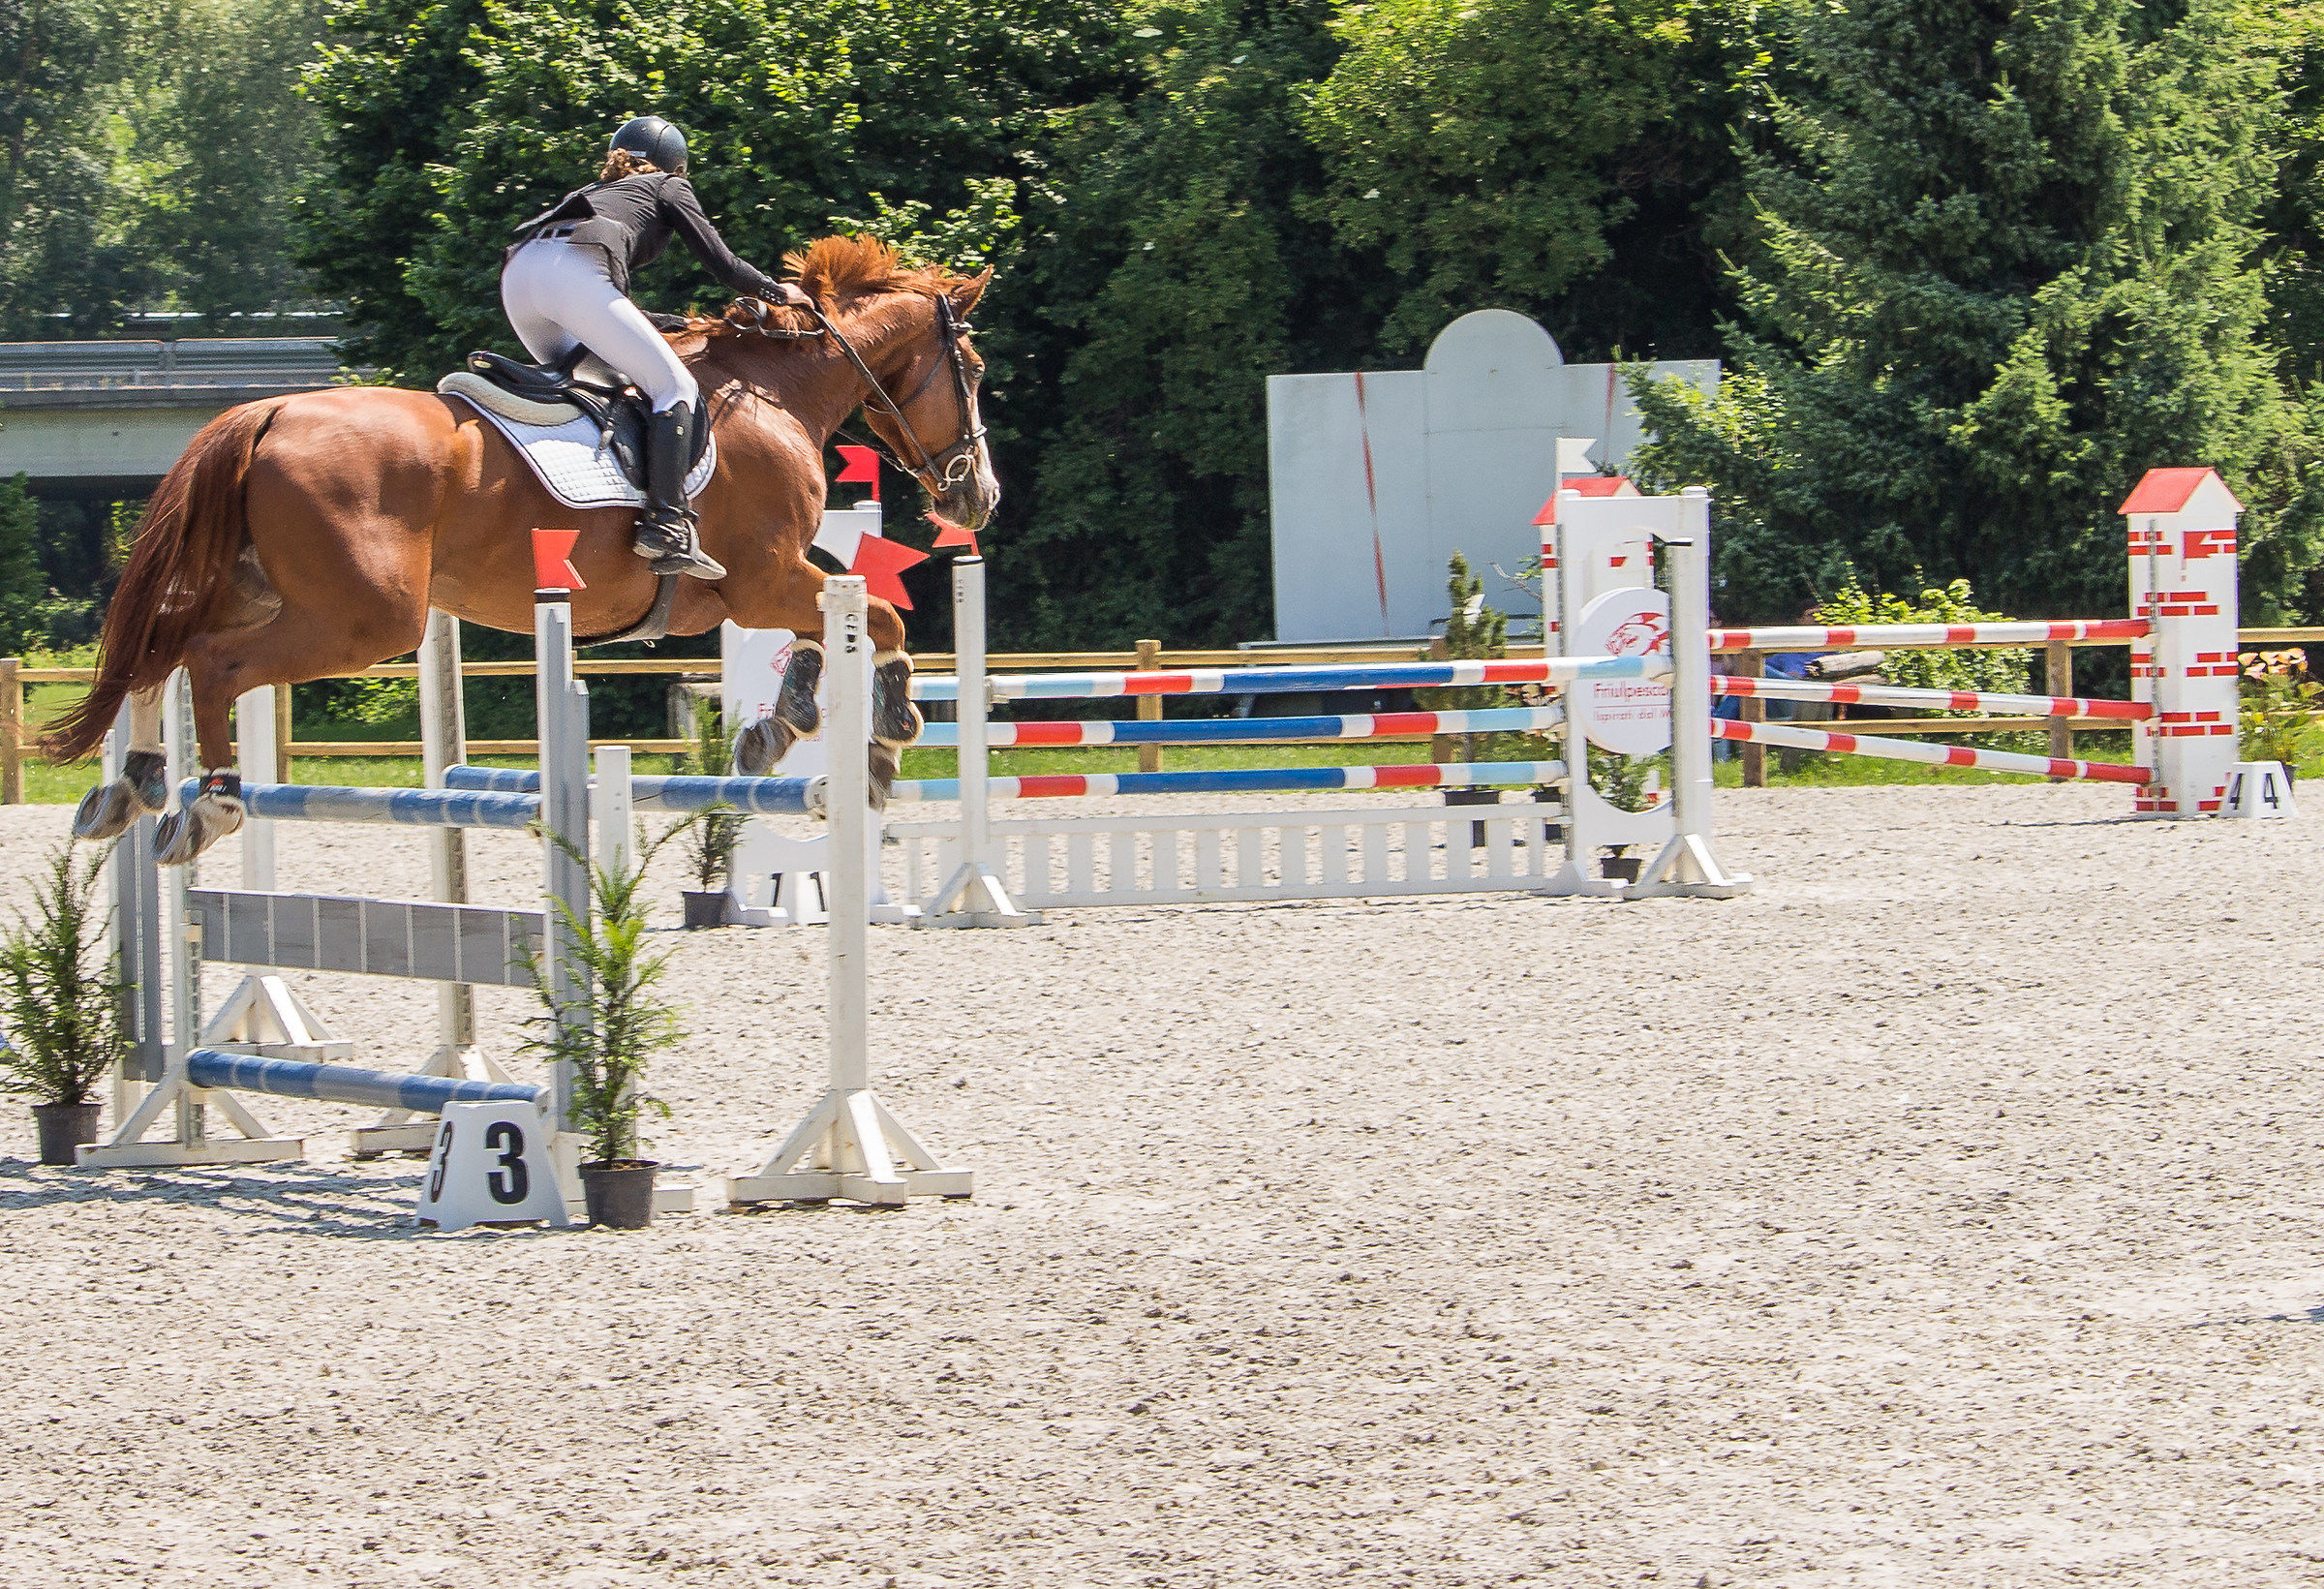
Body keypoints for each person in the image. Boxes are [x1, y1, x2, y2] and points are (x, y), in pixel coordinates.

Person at [499, 115, 811, 581]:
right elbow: (722, 263)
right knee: (674, 388)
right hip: (574, 273)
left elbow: (606, 307)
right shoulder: (668, 185)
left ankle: (584, 503)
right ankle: (666, 523)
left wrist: (676, 322)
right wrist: (777, 291)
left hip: (518, 278)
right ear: (675, 166)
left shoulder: (595, 194)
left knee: (595, 386)